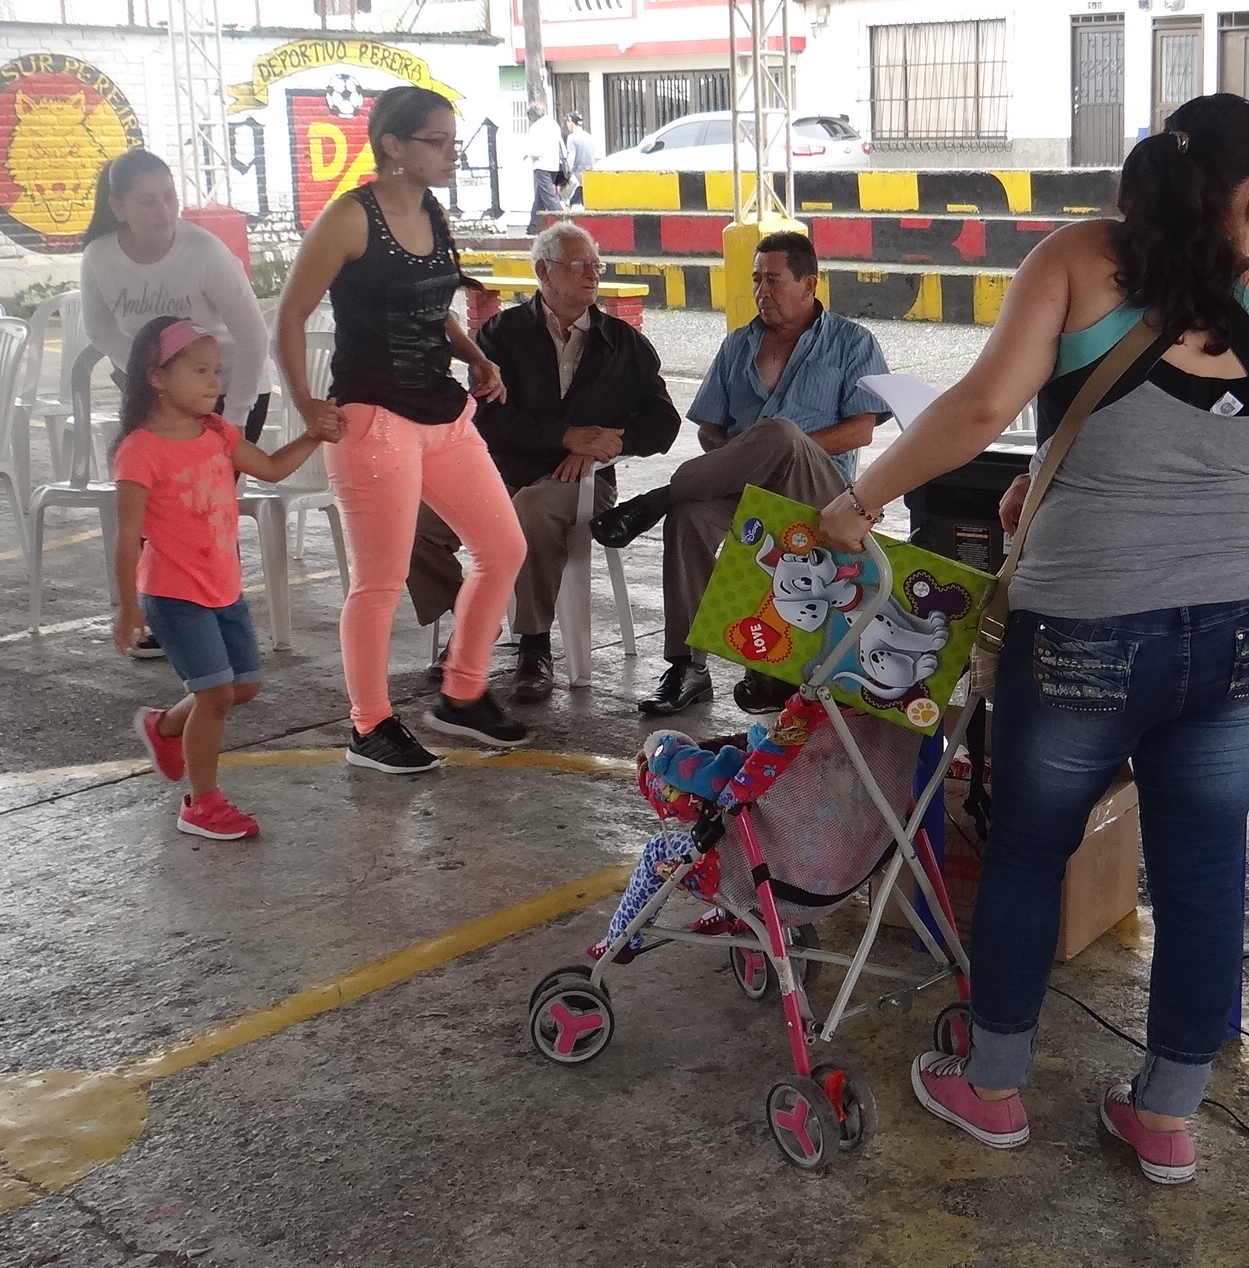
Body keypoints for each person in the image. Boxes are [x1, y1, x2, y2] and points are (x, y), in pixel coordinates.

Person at [813, 92, 1249, 1189]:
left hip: (1092, 615)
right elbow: (1232, 449)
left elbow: (980, 407)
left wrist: (858, 502)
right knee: (1202, 862)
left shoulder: (1079, 258)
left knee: (1031, 845)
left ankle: (993, 1087)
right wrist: (1050, 483)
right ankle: (1166, 1116)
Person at [276, 83, 533, 775]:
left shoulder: (430, 210)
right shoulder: (349, 218)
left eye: (454, 142)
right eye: (437, 142)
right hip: (374, 418)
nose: (453, 154)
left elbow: (429, 303)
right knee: (380, 581)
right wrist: (305, 402)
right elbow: (290, 315)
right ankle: (369, 726)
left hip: (441, 411)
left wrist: (474, 354)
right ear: (393, 145)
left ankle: (463, 691)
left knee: (503, 547)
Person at [594, 229, 892, 719]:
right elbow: (709, 430)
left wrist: (784, 448)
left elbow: (861, 431)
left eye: (773, 279)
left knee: (780, 433)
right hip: (744, 488)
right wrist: (744, 457)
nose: (761, 291)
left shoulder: (851, 341)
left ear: (808, 283)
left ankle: (658, 497)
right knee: (689, 518)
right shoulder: (738, 345)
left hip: (820, 493)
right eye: (756, 280)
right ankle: (688, 667)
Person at [403, 221, 679, 701]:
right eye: (578, 265)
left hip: (581, 481)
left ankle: (534, 647)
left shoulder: (624, 344)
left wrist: (608, 444)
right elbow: (486, 416)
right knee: (413, 519)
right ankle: (473, 618)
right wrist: (566, 437)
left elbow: (664, 424)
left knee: (531, 509)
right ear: (543, 272)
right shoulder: (502, 334)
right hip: (503, 471)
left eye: (596, 265)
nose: (592, 274)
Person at [113, 316, 324, 841]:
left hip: (224, 586)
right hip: (173, 594)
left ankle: (164, 727)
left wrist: (314, 435)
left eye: (217, 370)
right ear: (156, 378)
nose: (215, 382)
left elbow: (271, 468)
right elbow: (126, 534)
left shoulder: (217, 432)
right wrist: (128, 605)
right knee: (214, 697)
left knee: (244, 685)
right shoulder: (140, 449)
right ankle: (201, 803)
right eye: (200, 371)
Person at [80, 148, 271, 659]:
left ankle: (218, 618)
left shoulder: (205, 252)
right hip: (162, 392)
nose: (163, 211)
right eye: (147, 201)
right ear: (118, 207)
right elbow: (98, 327)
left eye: (169, 197)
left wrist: (231, 419)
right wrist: (151, 374)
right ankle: (163, 616)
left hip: (228, 389)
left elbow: (254, 337)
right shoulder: (99, 256)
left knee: (206, 510)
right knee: (157, 512)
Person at [520, 101, 565, 220]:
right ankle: (533, 226)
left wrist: (527, 154)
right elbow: (560, 144)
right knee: (539, 198)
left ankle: (564, 221)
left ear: (532, 116)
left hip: (541, 165)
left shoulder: (536, 127)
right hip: (554, 164)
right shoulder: (553, 124)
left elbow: (536, 148)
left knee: (549, 196)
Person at [562, 111, 600, 207]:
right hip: (588, 177)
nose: (567, 125)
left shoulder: (572, 138)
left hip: (576, 178)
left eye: (567, 122)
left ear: (571, 122)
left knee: (568, 204)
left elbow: (571, 158)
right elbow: (592, 158)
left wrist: (565, 176)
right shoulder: (589, 137)